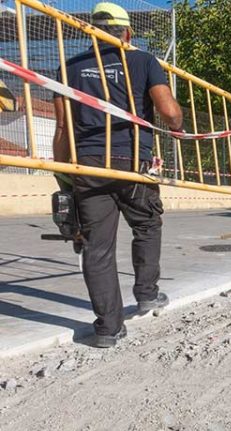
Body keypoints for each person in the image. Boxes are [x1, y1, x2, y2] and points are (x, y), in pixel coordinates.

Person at [52, 2, 183, 348]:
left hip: (89, 164)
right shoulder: (141, 60)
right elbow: (169, 111)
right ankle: (147, 294)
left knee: (96, 247)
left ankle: (108, 329)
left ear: (91, 30)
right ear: (126, 32)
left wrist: (64, 177)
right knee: (147, 225)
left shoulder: (70, 67)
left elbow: (63, 130)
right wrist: (177, 124)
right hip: (131, 163)